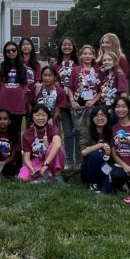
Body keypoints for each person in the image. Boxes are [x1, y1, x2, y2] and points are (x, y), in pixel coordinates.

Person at [18, 104, 64, 182]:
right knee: (22, 177)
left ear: (48, 117)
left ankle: (57, 175)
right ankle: (44, 175)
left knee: (55, 145)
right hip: (37, 161)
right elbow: (26, 158)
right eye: (37, 115)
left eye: (44, 115)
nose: (41, 118)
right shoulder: (27, 134)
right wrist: (32, 170)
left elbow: (58, 144)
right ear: (32, 117)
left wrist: (46, 165)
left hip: (51, 160)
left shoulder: (53, 128)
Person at [0, 41, 28, 134]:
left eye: (13, 50)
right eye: (8, 51)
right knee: (3, 130)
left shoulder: (23, 67)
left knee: (17, 131)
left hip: (18, 105)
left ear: (17, 51)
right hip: (5, 103)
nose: (11, 52)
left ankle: (16, 149)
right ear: (5, 53)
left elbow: (25, 84)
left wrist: (22, 95)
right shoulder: (0, 67)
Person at [79, 105, 113, 192]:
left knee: (108, 190)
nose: (100, 118)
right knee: (96, 154)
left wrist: (109, 153)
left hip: (106, 166)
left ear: (107, 117)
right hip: (89, 167)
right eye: (96, 115)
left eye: (103, 115)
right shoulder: (86, 131)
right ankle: (92, 183)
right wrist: (100, 145)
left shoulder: (111, 131)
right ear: (92, 118)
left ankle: (104, 181)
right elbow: (83, 152)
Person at [56, 37, 78, 170]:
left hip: (77, 103)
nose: (67, 47)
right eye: (64, 45)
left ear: (73, 47)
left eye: (70, 45)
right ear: (61, 47)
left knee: (78, 133)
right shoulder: (56, 65)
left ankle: (79, 160)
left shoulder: (78, 64)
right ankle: (69, 161)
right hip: (63, 104)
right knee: (68, 133)